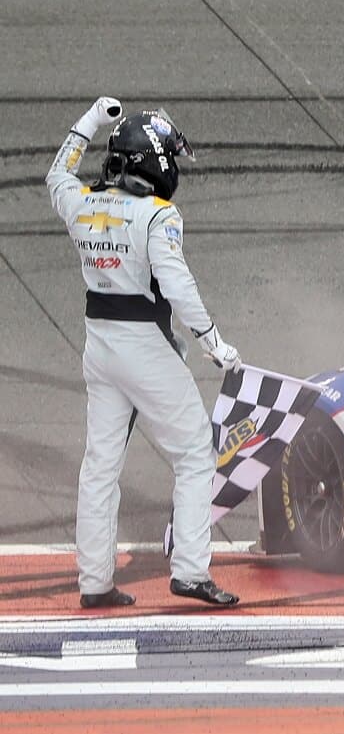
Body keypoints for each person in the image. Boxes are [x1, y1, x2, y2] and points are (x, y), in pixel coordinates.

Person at [46, 97, 241, 608]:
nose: (173, 167)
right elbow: (177, 285)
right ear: (152, 161)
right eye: (169, 158)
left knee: (100, 466)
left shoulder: (82, 202)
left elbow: (57, 174)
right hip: (145, 347)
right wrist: (213, 342)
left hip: (99, 344)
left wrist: (90, 121)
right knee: (197, 452)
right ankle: (192, 571)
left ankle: (94, 582)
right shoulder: (159, 216)